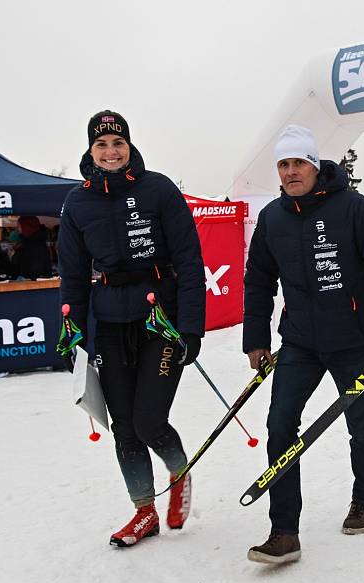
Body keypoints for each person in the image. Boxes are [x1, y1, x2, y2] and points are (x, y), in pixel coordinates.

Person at [242, 124, 364, 564]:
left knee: (359, 425)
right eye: (283, 164)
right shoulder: (273, 219)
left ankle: (363, 497)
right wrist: (256, 338)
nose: (291, 171)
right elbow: (257, 281)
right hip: (298, 343)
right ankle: (284, 531)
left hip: (353, 341)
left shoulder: (351, 208)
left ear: (316, 166)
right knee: (279, 426)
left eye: (299, 163)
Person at [57, 110, 205, 547]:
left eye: (117, 143)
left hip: (159, 321)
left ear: (129, 146)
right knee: (123, 426)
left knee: (148, 420)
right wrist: (71, 333)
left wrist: (191, 328)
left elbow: (190, 262)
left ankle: (179, 472)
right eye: (101, 145)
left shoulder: (157, 189)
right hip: (108, 324)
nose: (110, 151)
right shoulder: (77, 203)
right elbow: (72, 274)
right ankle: (144, 511)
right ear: (91, 151)